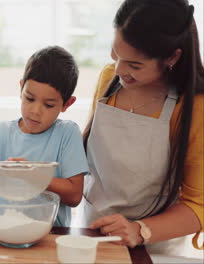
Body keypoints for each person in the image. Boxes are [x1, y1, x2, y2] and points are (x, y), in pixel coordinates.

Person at [81, 0, 203, 256]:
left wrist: (138, 230)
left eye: (134, 65)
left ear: (172, 56)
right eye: (115, 55)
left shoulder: (194, 108)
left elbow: (198, 205)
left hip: (154, 248)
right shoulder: (109, 81)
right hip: (91, 234)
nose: (119, 70)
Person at [0, 46, 89, 227]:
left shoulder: (67, 133)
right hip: (6, 230)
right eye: (30, 98)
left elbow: (75, 195)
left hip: (51, 236)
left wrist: (32, 176)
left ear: (67, 104)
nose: (35, 111)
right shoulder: (2, 132)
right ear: (21, 88)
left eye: (49, 105)